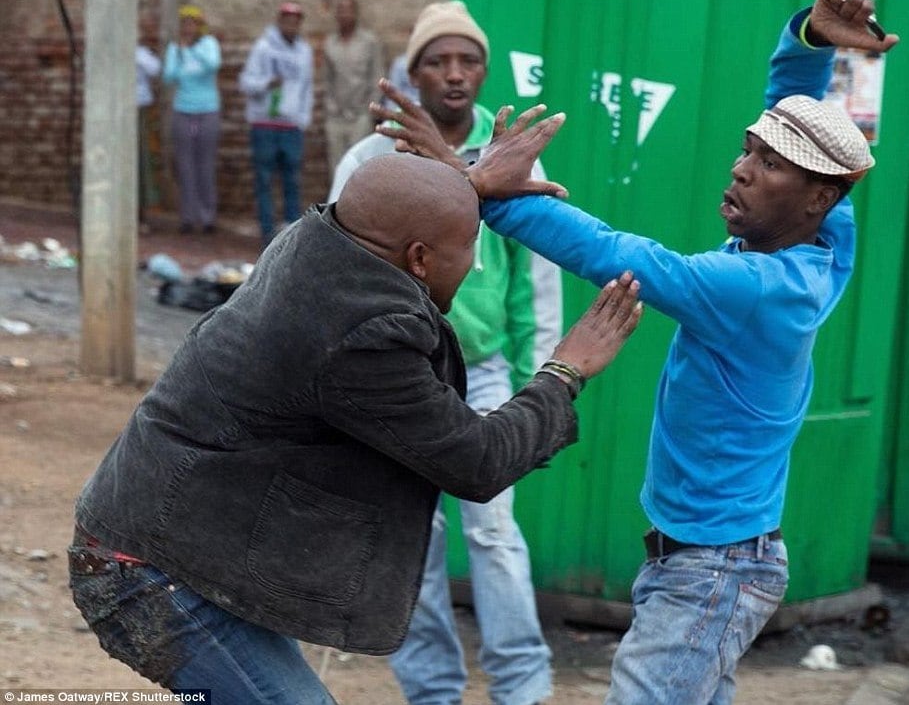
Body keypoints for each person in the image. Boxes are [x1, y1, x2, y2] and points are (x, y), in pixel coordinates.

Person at [373, 0, 899, 705]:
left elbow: (622, 255)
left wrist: (485, 191)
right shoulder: (824, 240)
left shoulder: (753, 289)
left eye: (769, 164)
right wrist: (810, 39)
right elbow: (793, 114)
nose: (742, 167)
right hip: (711, 561)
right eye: (749, 149)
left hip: (711, 572)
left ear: (816, 199)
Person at [68, 143, 641, 703]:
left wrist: (464, 187)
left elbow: (387, 209)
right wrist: (566, 370)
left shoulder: (320, 239)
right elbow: (478, 459)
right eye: (470, 246)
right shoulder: (363, 334)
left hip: (169, 542)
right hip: (153, 574)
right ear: (419, 258)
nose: (474, 261)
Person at [330, 0, 562, 705]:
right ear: (414, 72)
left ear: (484, 71)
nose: (455, 75)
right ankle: (431, 690)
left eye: (468, 61)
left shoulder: (510, 154)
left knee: (493, 532)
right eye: (438, 61)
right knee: (414, 539)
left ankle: (522, 686)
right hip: (403, 376)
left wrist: (538, 382)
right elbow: (334, 271)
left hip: (486, 371)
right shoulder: (372, 160)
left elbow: (537, 276)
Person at [239, 1, 315, 244]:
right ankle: (267, 232)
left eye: (296, 22)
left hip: (291, 126)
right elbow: (246, 83)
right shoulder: (263, 48)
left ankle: (292, 233)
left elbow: (307, 87)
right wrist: (266, 84)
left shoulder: (304, 52)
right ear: (279, 21)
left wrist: (303, 119)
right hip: (264, 124)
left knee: (292, 180)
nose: (291, 26)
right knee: (264, 180)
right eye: (287, 21)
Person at [162, 4, 222, 234]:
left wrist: (191, 50)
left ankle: (208, 217)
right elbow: (169, 76)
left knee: (205, 165)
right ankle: (187, 217)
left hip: (207, 108)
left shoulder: (208, 44)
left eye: (192, 23)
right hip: (183, 109)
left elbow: (212, 65)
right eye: (184, 24)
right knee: (185, 166)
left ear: (199, 26)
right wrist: (180, 53)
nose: (188, 28)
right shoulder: (175, 48)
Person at [322, 0, 383, 176]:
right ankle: (336, 205)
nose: (344, 15)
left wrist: (369, 108)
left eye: (349, 10)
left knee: (359, 167)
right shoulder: (330, 44)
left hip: (360, 116)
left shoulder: (369, 42)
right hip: (335, 117)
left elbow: (377, 77)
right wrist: (331, 108)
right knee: (337, 168)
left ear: (356, 14)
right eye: (340, 11)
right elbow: (327, 80)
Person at [135, 43, 161, 234]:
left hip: (140, 111)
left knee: (142, 163)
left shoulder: (141, 53)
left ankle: (141, 214)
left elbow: (155, 69)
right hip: (113, 113)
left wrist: (132, 52)